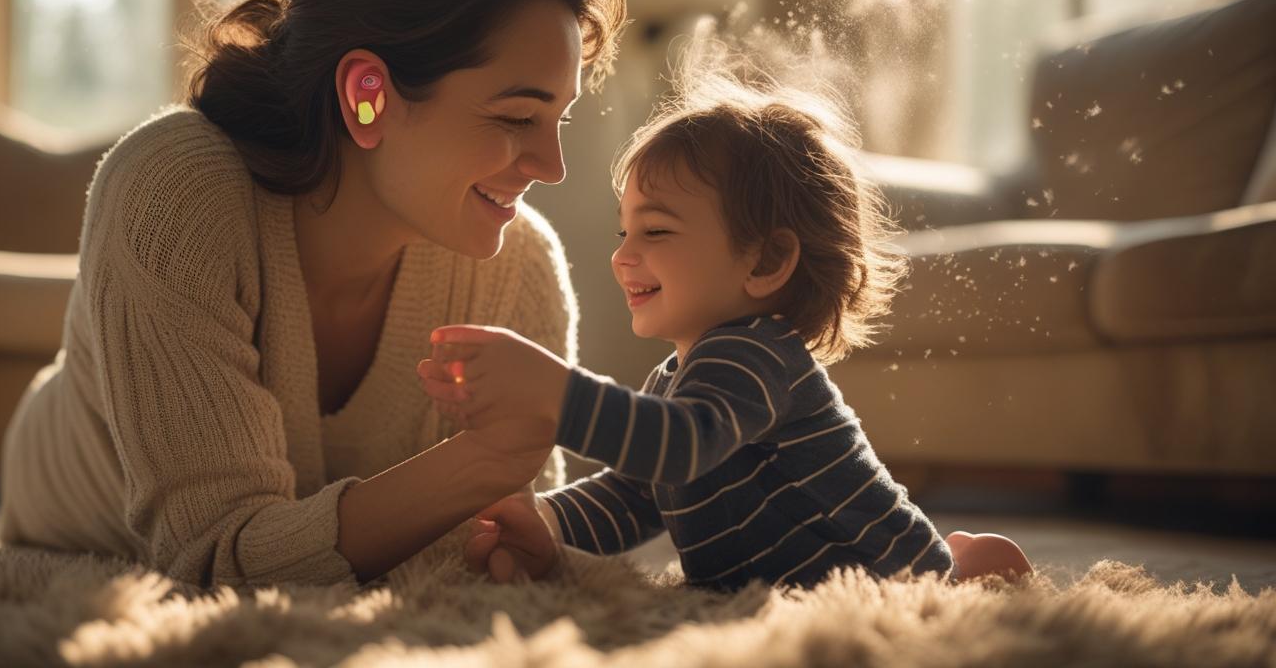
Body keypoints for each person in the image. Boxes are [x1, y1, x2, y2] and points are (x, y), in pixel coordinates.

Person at [0, 0, 630, 588]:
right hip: (67, 505)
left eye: (558, 120)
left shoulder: (520, 261)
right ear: (367, 97)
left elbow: (501, 545)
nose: (552, 166)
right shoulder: (173, 192)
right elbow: (211, 557)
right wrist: (481, 462)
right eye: (516, 118)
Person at [418, 40, 1034, 590]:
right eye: (624, 232)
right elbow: (638, 492)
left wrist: (553, 392)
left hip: (890, 578)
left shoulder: (758, 355)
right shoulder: (676, 379)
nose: (623, 257)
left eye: (655, 231)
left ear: (765, 260)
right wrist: (547, 519)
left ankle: (963, 567)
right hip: (774, 600)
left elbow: (679, 447)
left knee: (953, 581)